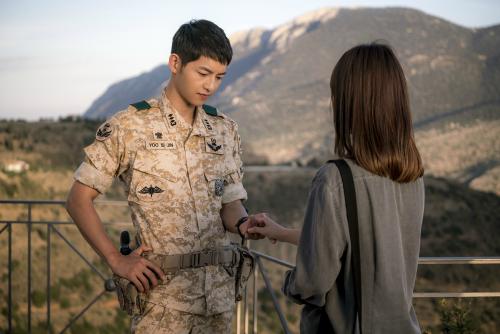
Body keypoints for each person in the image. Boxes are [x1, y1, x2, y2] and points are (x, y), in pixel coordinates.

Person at [66, 19, 264, 334]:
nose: (210, 85)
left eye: (219, 77)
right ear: (175, 63)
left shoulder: (225, 130)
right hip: (162, 305)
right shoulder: (130, 126)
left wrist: (243, 223)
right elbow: (78, 200)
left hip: (219, 300)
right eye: (203, 73)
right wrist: (116, 260)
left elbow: (230, 202)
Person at [248, 43, 425, 333]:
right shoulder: (412, 175)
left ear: (349, 104)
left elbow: (313, 281)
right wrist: (278, 231)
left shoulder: (334, 178)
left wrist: (291, 285)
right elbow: (362, 244)